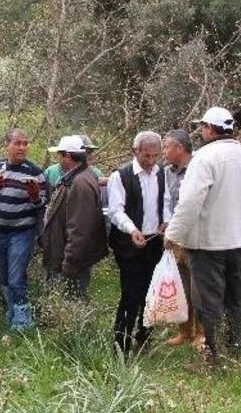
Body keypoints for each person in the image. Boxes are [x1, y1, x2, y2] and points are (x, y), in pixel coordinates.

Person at [165, 107, 241, 366]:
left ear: (209, 129)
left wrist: (173, 234)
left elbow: (190, 202)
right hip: (240, 240)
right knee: (234, 298)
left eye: (203, 127)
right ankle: (235, 351)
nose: (202, 131)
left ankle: (213, 358)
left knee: (208, 301)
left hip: (208, 242)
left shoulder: (205, 157)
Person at [0, 129, 47, 332]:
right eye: (18, 143)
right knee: (4, 276)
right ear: (7, 145)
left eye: (26, 143)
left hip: (22, 232)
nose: (22, 147)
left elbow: (41, 205)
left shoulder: (35, 172)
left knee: (16, 277)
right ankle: (12, 311)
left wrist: (34, 196)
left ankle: (24, 320)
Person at [107, 131, 165, 355]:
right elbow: (115, 210)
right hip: (128, 243)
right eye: (146, 156)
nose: (151, 161)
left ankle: (144, 336)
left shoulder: (162, 174)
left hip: (154, 242)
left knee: (150, 292)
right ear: (135, 151)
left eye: (155, 156)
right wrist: (132, 230)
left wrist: (165, 222)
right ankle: (121, 342)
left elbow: (167, 202)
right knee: (131, 293)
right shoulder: (121, 176)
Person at [39, 136, 106, 299]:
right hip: (67, 254)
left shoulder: (80, 183)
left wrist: (69, 262)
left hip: (73, 259)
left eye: (60, 155)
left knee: (74, 299)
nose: (59, 159)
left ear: (67, 156)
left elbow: (80, 229)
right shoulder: (78, 177)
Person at [160, 130, 202, 347]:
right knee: (181, 285)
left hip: (195, 236)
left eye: (166, 146)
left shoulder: (198, 169)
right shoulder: (165, 172)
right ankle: (184, 331)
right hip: (173, 237)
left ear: (179, 148)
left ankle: (200, 333)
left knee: (198, 286)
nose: (163, 151)